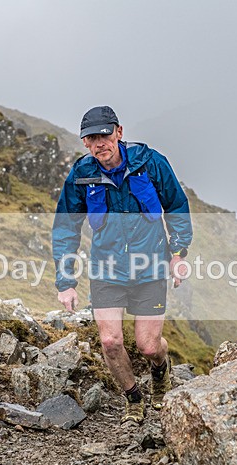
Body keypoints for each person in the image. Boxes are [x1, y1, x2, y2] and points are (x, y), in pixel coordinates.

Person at [52, 106, 192, 425]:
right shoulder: (82, 174)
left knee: (148, 346)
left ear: (119, 132)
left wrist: (178, 253)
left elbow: (177, 206)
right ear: (85, 142)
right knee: (110, 342)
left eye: (104, 134)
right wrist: (66, 281)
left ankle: (161, 370)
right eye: (91, 138)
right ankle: (133, 398)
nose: (99, 143)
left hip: (150, 267)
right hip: (106, 271)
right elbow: (66, 227)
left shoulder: (150, 162)